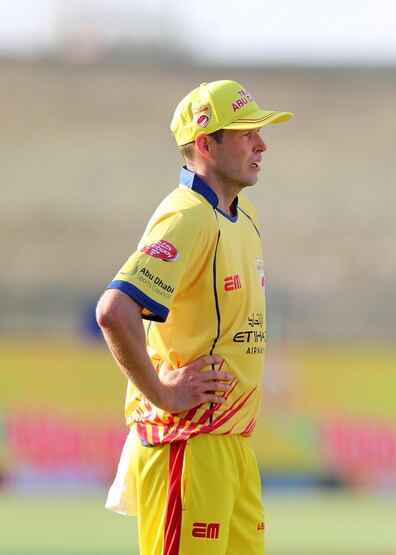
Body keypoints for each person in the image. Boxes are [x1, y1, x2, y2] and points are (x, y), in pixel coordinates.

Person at [96, 80, 292, 555]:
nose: (261, 144)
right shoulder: (187, 215)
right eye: (246, 133)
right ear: (205, 143)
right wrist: (163, 393)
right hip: (188, 443)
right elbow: (114, 311)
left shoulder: (245, 219)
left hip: (231, 446)